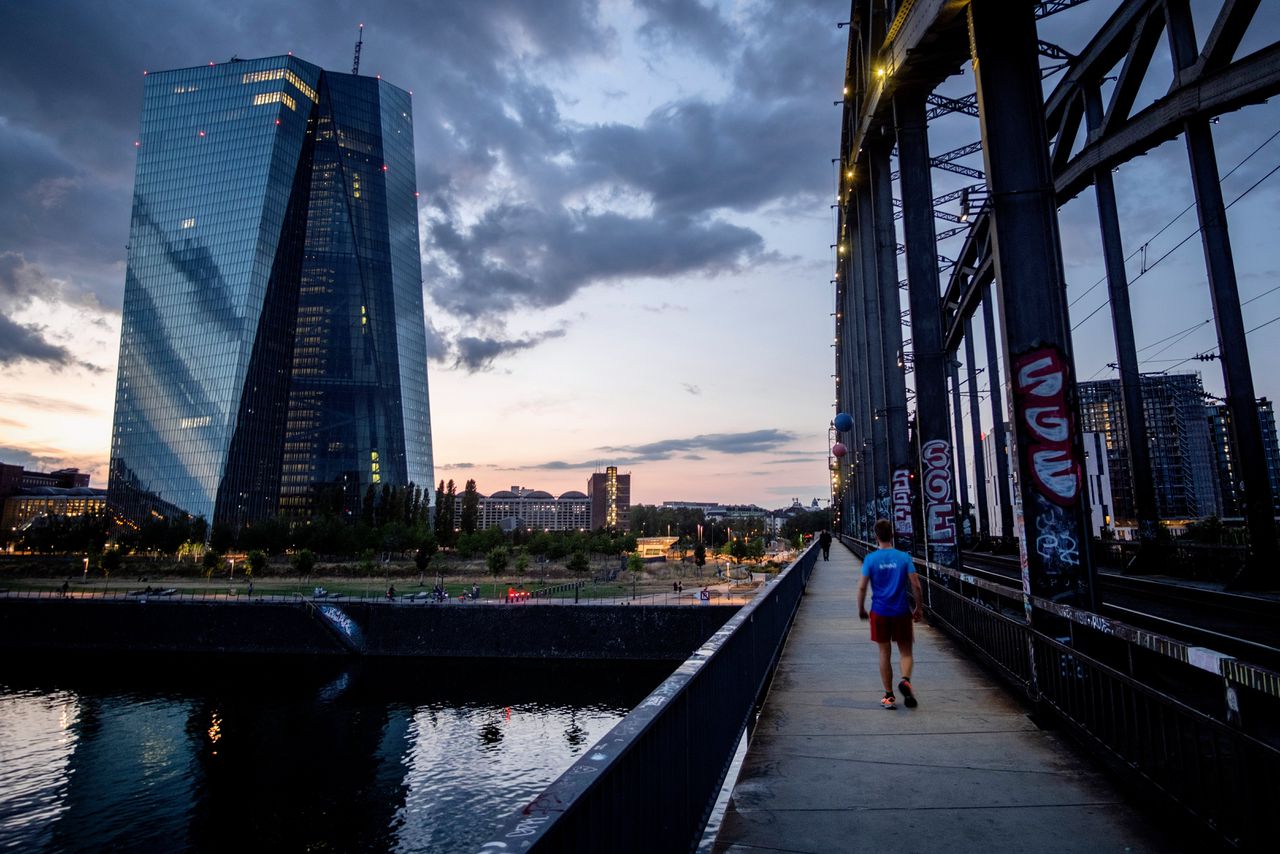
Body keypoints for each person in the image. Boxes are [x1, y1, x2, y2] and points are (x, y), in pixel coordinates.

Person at [857, 518, 923, 710]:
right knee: (905, 652)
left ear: (876, 536)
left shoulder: (871, 559)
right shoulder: (904, 557)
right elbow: (916, 585)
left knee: (884, 652)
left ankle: (889, 696)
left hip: (879, 611)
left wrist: (861, 609)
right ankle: (905, 680)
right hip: (901, 610)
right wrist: (918, 608)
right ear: (892, 535)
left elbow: (862, 587)